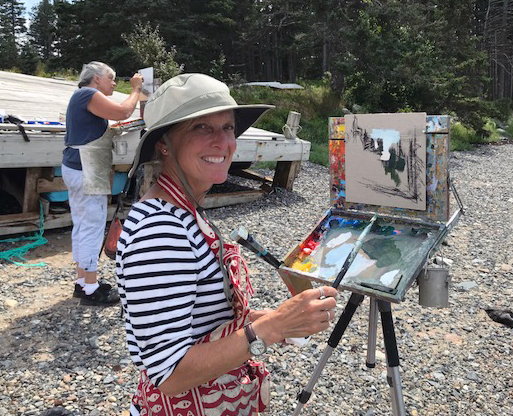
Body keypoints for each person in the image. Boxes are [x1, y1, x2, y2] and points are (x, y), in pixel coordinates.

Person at [116, 73, 338, 415]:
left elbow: (201, 322)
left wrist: (284, 319)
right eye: (201, 128)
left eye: (228, 127)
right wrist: (271, 327)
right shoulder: (160, 231)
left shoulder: (184, 208)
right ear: (163, 143)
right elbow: (169, 373)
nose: (223, 142)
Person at [62, 61, 143, 306]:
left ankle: (82, 282)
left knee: (82, 224)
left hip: (78, 167)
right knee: (92, 227)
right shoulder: (88, 93)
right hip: (86, 170)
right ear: (96, 78)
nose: (114, 83)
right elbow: (123, 111)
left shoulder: (82, 97)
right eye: (111, 78)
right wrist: (136, 89)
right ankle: (91, 289)